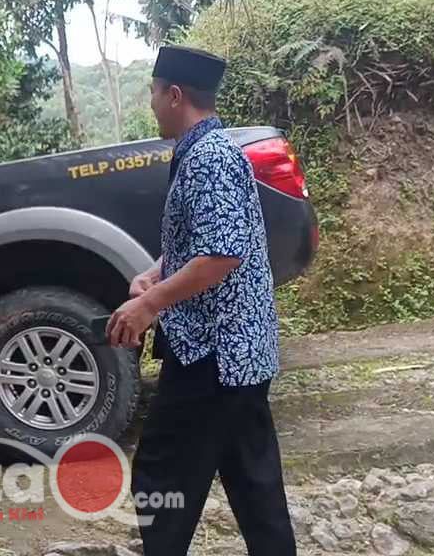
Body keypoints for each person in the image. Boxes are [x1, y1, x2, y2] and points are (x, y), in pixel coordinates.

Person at [106, 45, 296, 556]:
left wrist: (151, 305)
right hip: (238, 355)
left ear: (174, 95)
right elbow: (202, 241)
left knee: (160, 475)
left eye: (151, 93)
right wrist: (155, 271)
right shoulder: (203, 152)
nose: (149, 103)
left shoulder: (209, 158)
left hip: (216, 355)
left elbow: (222, 255)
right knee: (253, 481)